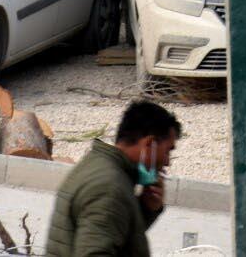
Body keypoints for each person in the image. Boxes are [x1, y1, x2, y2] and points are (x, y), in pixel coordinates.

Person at [46, 100, 182, 257]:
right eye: (167, 151)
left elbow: (114, 233)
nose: (167, 161)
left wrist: (145, 208)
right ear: (150, 144)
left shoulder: (99, 165)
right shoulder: (109, 187)